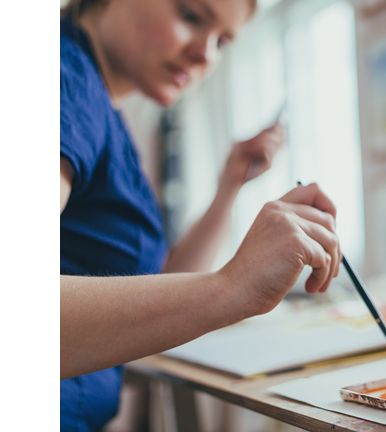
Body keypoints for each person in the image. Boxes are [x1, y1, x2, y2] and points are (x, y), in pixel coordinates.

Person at [59, 0, 341, 430]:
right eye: (191, 15)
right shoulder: (63, 81)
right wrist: (231, 288)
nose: (206, 55)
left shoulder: (98, 104)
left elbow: (155, 287)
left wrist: (230, 187)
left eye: (223, 42)